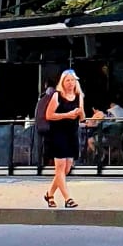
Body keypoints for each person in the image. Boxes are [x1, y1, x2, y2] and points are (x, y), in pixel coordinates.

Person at [43, 69, 86, 209]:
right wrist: (67, 115)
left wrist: (79, 112)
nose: (70, 83)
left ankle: (49, 194)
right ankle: (68, 198)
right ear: (62, 82)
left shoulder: (79, 96)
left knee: (66, 168)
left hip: (71, 133)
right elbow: (49, 115)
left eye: (72, 80)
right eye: (67, 80)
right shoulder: (57, 96)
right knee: (60, 167)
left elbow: (82, 117)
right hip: (58, 133)